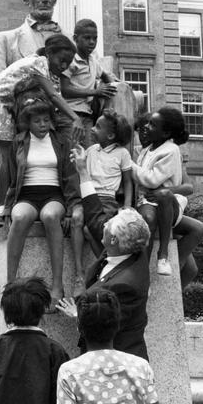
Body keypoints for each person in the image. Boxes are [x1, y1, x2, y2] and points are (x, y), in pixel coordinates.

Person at [56, 143, 180, 404]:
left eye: (106, 236)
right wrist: (82, 172)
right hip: (105, 360)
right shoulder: (120, 256)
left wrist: (79, 317)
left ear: (116, 244)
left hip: (125, 363)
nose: (101, 235)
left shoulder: (127, 283)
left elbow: (112, 323)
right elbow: (94, 218)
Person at [0, 33, 84, 226]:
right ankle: (3, 210)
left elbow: (52, 98)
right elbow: (54, 96)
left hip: (5, 104)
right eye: (62, 60)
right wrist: (75, 118)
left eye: (68, 62)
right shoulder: (39, 64)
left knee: (9, 158)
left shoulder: (42, 66)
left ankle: (5, 208)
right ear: (49, 54)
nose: (64, 66)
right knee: (6, 160)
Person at [4, 99, 80, 310]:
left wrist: (71, 209)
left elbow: (70, 177)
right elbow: (11, 178)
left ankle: (57, 285)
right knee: (19, 218)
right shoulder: (18, 142)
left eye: (46, 120)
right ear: (28, 122)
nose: (43, 124)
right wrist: (7, 208)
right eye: (37, 121)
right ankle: (11, 282)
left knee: (50, 216)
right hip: (26, 194)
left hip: (53, 194)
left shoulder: (61, 141)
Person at [132, 107, 203, 279]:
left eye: (150, 126)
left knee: (197, 234)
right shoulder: (141, 151)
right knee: (150, 218)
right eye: (140, 129)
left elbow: (188, 187)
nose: (144, 131)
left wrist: (163, 191)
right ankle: (154, 270)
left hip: (167, 206)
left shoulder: (171, 151)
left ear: (164, 133)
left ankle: (170, 264)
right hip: (148, 205)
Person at [71, 109, 134, 294]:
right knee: (76, 219)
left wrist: (128, 206)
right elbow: (80, 172)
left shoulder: (122, 153)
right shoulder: (91, 150)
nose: (93, 129)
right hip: (87, 196)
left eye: (98, 127)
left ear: (111, 135)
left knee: (90, 230)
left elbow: (128, 181)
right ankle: (79, 274)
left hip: (107, 200)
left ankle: (107, 267)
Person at [61, 18, 117, 147]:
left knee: (90, 152)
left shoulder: (93, 60)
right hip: (69, 114)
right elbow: (65, 90)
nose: (92, 42)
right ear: (75, 38)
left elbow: (105, 76)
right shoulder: (71, 59)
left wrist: (114, 86)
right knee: (73, 155)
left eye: (95, 38)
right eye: (87, 38)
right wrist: (95, 92)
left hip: (88, 115)